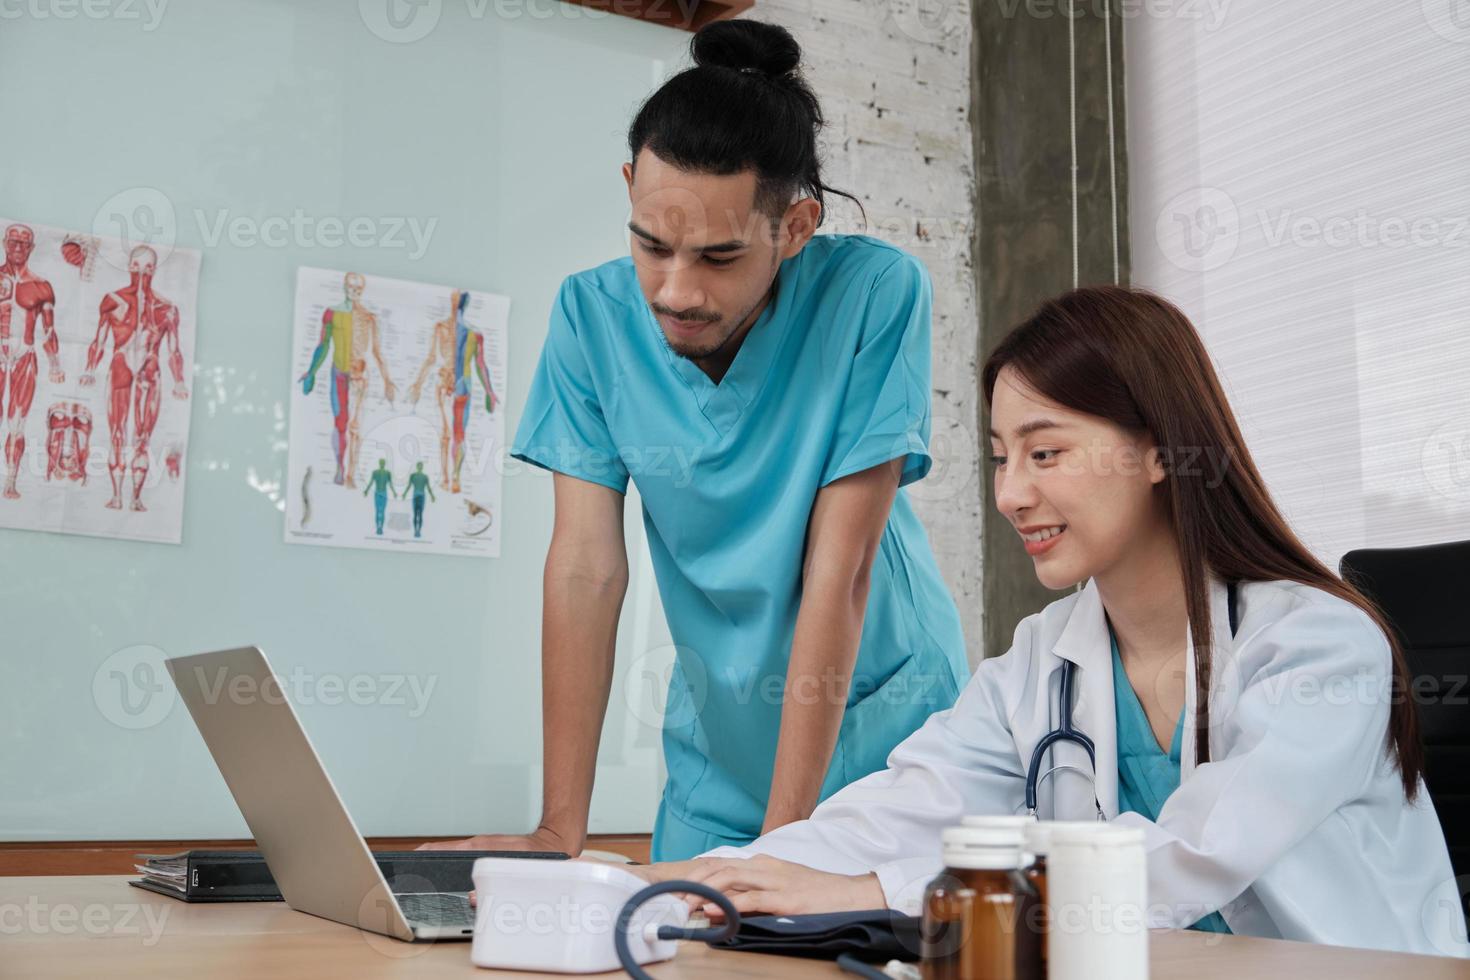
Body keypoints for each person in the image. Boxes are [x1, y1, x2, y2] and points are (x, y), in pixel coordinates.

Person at [630, 286, 1468, 957]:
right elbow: (903, 804)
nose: (1010, 494)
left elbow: (1198, 852)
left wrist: (873, 893)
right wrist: (705, 877)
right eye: (1000, 458)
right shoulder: (1042, 660)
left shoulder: (1318, 647)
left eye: (1045, 452)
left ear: (1156, 452)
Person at [419, 19, 968, 862]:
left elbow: (842, 568)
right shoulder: (590, 318)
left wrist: (788, 843)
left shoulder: (873, 293)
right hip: (719, 753)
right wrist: (559, 828)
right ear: (631, 186)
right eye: (650, 244)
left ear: (794, 227)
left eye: (718, 256)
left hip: (883, 737)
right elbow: (584, 568)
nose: (676, 291)